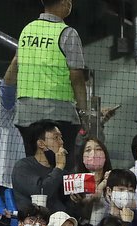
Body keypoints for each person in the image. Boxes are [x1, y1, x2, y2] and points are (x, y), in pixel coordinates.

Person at [10, 0, 88, 156]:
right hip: (58, 114)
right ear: (64, 3)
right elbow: (77, 76)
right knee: (61, 166)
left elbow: (16, 65)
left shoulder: (27, 29)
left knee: (34, 163)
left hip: (26, 114)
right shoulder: (67, 33)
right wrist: (84, 111)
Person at [10, 121, 71, 215]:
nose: (61, 142)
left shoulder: (60, 171)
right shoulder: (22, 167)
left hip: (62, 223)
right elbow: (42, 193)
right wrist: (59, 166)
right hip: (34, 222)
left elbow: (66, 203)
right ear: (41, 144)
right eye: (56, 138)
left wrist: (76, 199)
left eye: (61, 137)